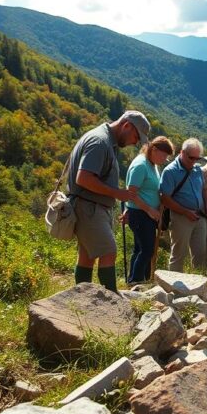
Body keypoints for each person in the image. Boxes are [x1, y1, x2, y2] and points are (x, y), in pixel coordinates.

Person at [67, 111, 150, 292]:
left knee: (87, 256)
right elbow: (84, 178)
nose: (135, 143)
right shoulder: (100, 142)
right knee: (108, 251)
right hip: (89, 207)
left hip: (90, 206)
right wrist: (116, 193)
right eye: (136, 137)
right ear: (126, 126)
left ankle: (82, 298)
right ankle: (112, 302)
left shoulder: (105, 140)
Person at [121, 136, 175, 284]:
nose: (164, 159)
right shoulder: (141, 165)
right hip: (141, 214)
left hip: (144, 214)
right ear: (154, 150)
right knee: (147, 250)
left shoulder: (152, 164)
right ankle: (137, 281)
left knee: (141, 249)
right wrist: (149, 210)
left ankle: (138, 281)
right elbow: (131, 193)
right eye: (163, 155)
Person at [159, 137, 207, 272]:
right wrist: (185, 212)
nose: (193, 162)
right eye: (191, 158)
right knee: (179, 254)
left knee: (200, 253)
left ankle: (199, 284)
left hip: (199, 216)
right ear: (182, 153)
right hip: (180, 217)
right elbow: (164, 198)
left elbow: (204, 189)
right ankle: (174, 287)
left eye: (197, 159)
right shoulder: (170, 171)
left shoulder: (197, 170)